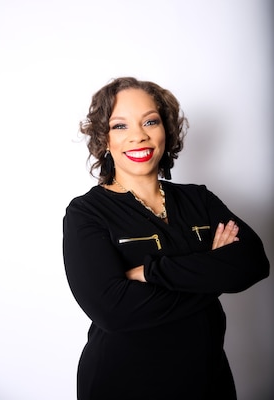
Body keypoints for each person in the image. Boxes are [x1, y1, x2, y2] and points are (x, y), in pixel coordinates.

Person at [63, 77, 269, 400]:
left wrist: (150, 273)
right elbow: (113, 310)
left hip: (208, 382)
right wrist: (213, 274)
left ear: (165, 129)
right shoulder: (86, 214)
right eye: (120, 126)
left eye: (150, 121)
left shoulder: (199, 200)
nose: (138, 136)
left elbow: (254, 261)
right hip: (123, 385)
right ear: (103, 139)